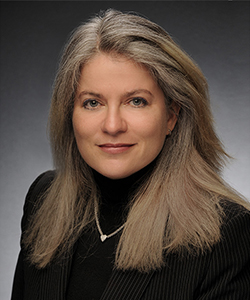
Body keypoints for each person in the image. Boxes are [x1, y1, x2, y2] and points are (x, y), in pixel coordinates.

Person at [11, 9, 250, 300]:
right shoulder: (43, 198)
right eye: (92, 103)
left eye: (136, 101)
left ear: (172, 116)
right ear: (69, 113)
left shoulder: (228, 233)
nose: (113, 125)